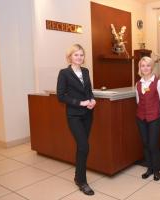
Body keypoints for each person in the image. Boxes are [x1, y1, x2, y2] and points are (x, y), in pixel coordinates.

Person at [56, 44, 96, 195]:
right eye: (76, 55)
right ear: (70, 57)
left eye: (81, 55)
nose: (79, 57)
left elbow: (89, 91)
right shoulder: (64, 73)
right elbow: (61, 96)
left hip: (87, 115)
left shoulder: (85, 71)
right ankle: (82, 181)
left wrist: (92, 100)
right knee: (84, 146)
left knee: (81, 147)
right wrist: (80, 103)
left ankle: (77, 177)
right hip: (74, 115)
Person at [135, 56, 160, 181]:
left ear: (152, 67)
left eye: (148, 65)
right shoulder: (138, 84)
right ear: (140, 68)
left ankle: (156, 170)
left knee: (153, 144)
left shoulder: (158, 82)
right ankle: (149, 169)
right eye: (143, 65)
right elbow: (138, 101)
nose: (145, 68)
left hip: (154, 118)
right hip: (141, 118)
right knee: (145, 144)